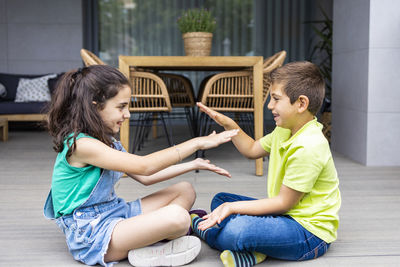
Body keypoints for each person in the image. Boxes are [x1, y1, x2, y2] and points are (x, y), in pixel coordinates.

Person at [43, 65, 239, 267]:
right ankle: (159, 243)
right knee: (179, 217)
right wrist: (197, 142)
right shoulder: (82, 145)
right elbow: (145, 167)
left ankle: (151, 240)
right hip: (93, 234)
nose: (127, 114)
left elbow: (147, 178)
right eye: (121, 107)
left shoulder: (105, 141)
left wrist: (193, 164)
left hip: (115, 213)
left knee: (185, 190)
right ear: (95, 107)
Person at [191, 61, 341, 267]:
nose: (269, 105)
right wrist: (229, 124)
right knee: (221, 199)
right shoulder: (285, 129)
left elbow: (283, 203)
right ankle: (254, 249)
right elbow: (252, 149)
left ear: (301, 103)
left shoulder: (309, 146)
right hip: (285, 216)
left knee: (238, 229)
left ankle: (211, 232)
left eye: (276, 99)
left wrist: (233, 208)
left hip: (309, 234)